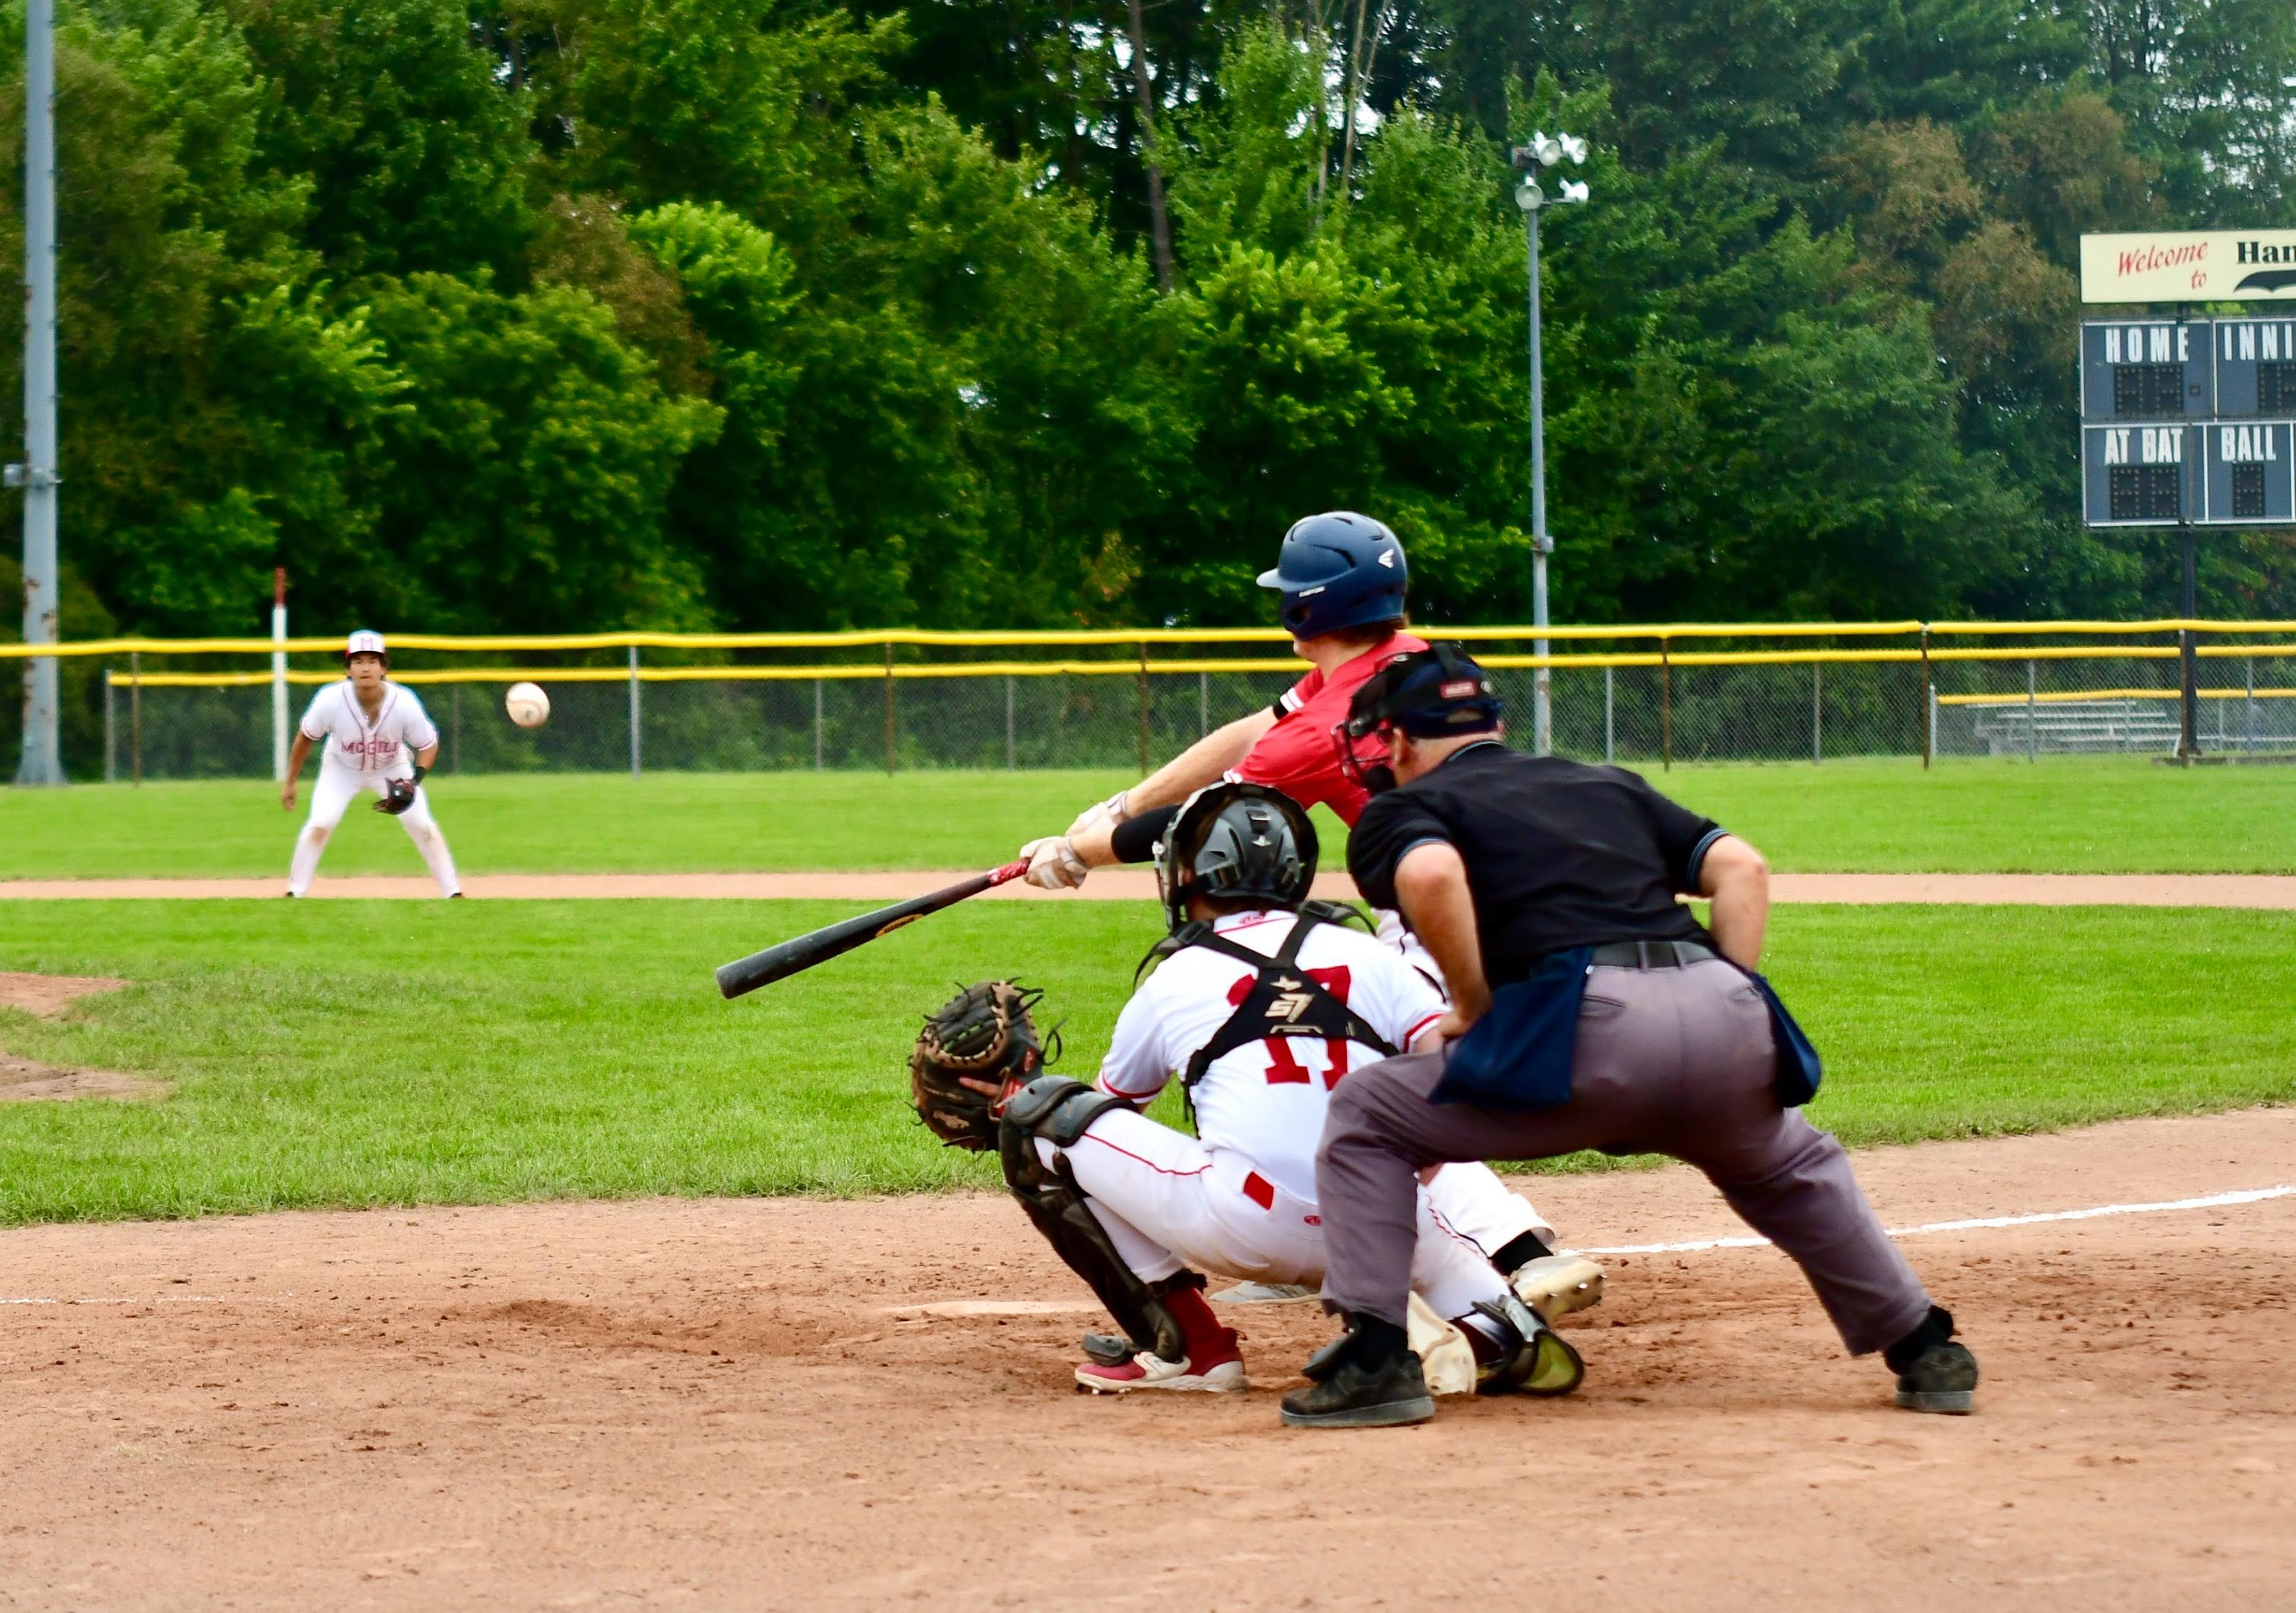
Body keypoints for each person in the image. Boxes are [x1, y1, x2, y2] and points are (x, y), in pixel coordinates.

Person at [1283, 645, 1979, 1429]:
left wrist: (1473, 1004)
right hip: (1721, 1009)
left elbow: (1433, 877)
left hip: (1586, 1031)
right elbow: (1741, 869)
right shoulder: (1601, 780)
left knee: (1368, 1115)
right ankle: (1924, 1346)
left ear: (1399, 742)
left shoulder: (1406, 805)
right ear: (1496, 722)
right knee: (1787, 1165)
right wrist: (1727, 995)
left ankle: (1376, 1361)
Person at [1013, 511, 1602, 1318]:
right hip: (1541, 896)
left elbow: (1215, 815)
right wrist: (1122, 801)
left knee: (1399, 1084)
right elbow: (1253, 728)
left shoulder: (1324, 727)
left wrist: (1083, 851)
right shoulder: (1423, 664)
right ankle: (1378, 1238)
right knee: (1381, 1076)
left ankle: (1516, 1256)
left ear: (1302, 613)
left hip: (1446, 911)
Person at [987, 782, 1580, 1397]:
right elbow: (1455, 1074)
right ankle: (1490, 1331)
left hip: (1244, 1219)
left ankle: (1192, 1349)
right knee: (1522, 1338)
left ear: (1189, 875)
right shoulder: (1371, 956)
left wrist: (1007, 1106)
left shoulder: (1177, 975)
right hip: (1385, 1223)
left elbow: (1112, 1108)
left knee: (1041, 1120)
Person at [282, 630, 462, 899]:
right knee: (321, 822)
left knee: (422, 824)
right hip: (341, 768)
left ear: (384, 667)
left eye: (372, 661)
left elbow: (428, 744)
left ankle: (453, 892)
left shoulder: (404, 702)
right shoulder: (330, 699)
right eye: (358, 661)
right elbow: (306, 738)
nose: (365, 668)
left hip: (393, 766)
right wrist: (291, 782)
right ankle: (295, 892)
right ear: (348, 669)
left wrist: (414, 782)